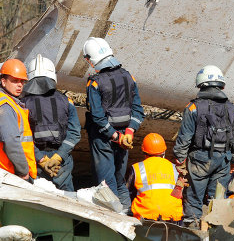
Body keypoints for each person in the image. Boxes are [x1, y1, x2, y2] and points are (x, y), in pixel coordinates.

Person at [173, 65, 234, 225]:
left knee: (193, 200)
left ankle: (193, 230)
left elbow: (184, 137)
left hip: (199, 160)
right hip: (223, 161)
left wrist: (180, 159)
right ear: (222, 86)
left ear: (201, 84)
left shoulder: (193, 107)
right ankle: (216, 231)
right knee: (218, 202)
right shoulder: (233, 110)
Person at [83, 37, 145, 212]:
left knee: (105, 183)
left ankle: (113, 219)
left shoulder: (94, 82)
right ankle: (126, 213)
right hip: (124, 137)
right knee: (119, 179)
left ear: (91, 59)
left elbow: (97, 116)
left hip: (104, 139)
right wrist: (129, 133)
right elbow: (138, 110)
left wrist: (114, 136)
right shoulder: (128, 77)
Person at [23, 54, 81, 191]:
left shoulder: (22, 104)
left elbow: (21, 136)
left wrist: (42, 160)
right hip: (61, 161)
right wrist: (58, 156)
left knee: (36, 199)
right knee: (68, 201)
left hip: (35, 161)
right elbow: (74, 133)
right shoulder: (67, 101)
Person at [0, 59, 37, 181]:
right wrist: (23, 171)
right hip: (6, 171)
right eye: (15, 81)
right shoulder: (4, 106)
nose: (20, 84)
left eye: (22, 81)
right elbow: (12, 142)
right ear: (3, 82)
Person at [126, 133, 183, 223]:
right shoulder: (174, 168)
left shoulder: (137, 168)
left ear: (144, 152)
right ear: (164, 151)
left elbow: (128, 193)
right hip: (173, 218)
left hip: (145, 217)